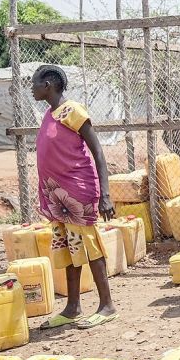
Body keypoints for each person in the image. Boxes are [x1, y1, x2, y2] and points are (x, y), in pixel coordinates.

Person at [30, 65, 118, 330]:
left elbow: (98, 153)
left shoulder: (73, 111)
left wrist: (106, 194)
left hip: (78, 191)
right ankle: (72, 307)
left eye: (34, 83)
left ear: (48, 85)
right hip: (58, 196)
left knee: (89, 247)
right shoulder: (49, 113)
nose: (31, 88)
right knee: (69, 248)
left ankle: (107, 305)